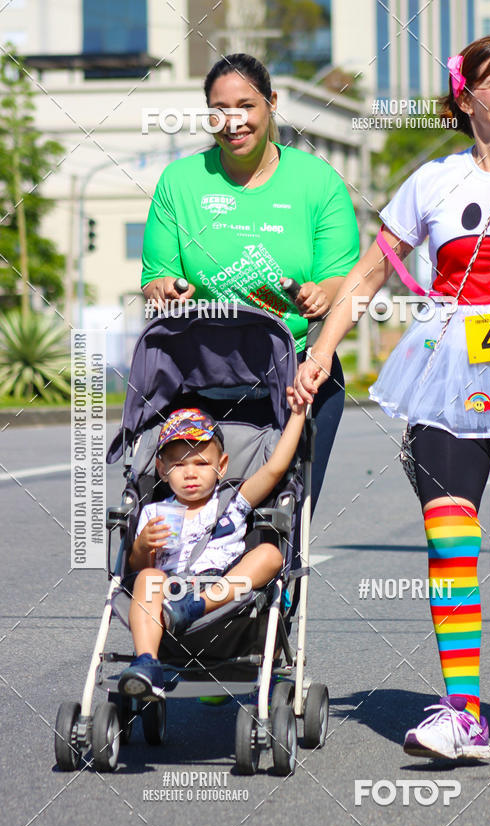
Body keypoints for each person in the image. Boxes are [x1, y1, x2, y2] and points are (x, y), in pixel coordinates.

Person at [293, 35, 490, 761]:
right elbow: (367, 277)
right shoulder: (431, 182)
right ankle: (461, 712)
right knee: (452, 534)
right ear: (466, 99)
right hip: (445, 370)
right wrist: (323, 346)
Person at [140, 53, 359, 509]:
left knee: (278, 520)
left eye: (246, 106)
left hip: (298, 374)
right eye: (220, 109)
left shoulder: (318, 182)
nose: (233, 121)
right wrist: (165, 289)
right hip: (200, 375)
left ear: (271, 104)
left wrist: (323, 293)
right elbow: (155, 276)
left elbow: (344, 276)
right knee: (194, 514)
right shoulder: (179, 182)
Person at [118, 398, 306, 701]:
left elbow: (275, 470)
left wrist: (298, 414)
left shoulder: (232, 502)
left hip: (222, 587)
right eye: (179, 464)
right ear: (162, 468)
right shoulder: (154, 512)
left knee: (270, 555)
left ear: (221, 466)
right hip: (169, 589)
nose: (190, 473)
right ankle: (147, 663)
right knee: (146, 578)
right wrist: (142, 545)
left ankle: (195, 607)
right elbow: (138, 566)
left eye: (201, 463)